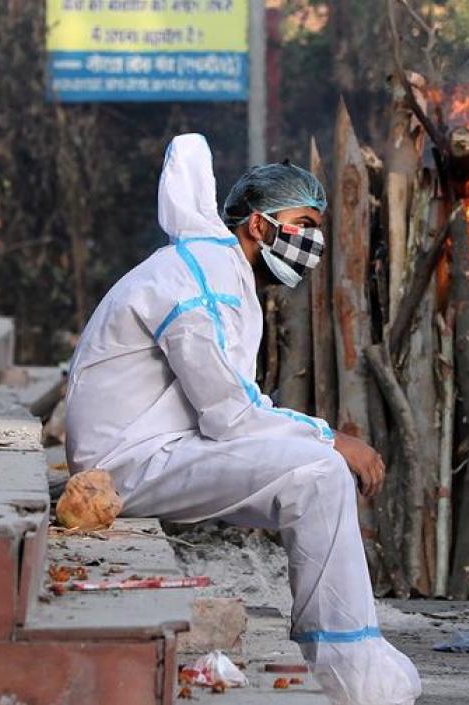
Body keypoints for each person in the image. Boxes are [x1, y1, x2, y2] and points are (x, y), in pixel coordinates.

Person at [65, 133, 421, 705]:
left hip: (157, 451)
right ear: (258, 225)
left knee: (315, 471)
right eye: (303, 222)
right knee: (319, 473)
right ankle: (352, 672)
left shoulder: (213, 270)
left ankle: (352, 661)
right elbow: (229, 413)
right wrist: (331, 439)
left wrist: (323, 439)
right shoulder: (199, 277)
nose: (315, 239)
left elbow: (228, 409)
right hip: (125, 468)